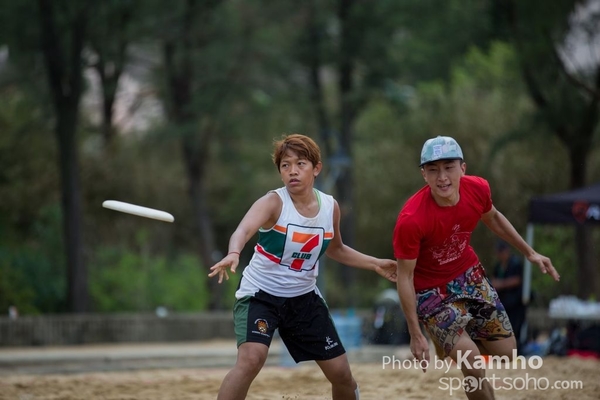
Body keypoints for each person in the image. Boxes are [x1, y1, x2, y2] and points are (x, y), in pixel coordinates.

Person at [209, 133, 397, 400]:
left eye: (300, 164)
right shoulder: (273, 202)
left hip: (303, 299)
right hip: (260, 295)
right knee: (251, 359)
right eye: (285, 165)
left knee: (341, 374)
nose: (292, 171)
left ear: (316, 168)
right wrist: (233, 252)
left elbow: (336, 249)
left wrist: (375, 263)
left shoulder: (330, 207)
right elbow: (243, 230)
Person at [392, 136, 560, 400]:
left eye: (449, 167)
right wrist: (415, 333)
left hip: (469, 276)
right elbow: (405, 277)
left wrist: (530, 253)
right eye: (433, 170)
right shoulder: (411, 219)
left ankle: (455, 339)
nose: (442, 177)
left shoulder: (478, 188)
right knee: (471, 363)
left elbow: (493, 218)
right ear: (424, 174)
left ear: (463, 168)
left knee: (507, 353)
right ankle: (451, 339)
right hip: (432, 293)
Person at [490, 240, 527, 355]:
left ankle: (517, 351)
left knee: (516, 327)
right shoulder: (498, 266)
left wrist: (500, 284)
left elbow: (517, 280)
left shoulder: (515, 263)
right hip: (504, 302)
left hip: (516, 302)